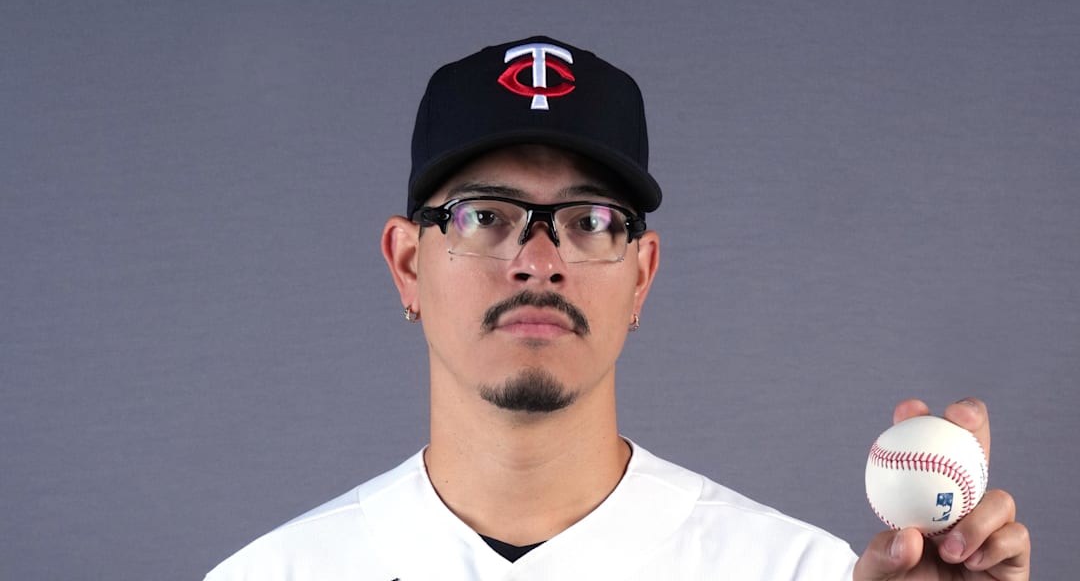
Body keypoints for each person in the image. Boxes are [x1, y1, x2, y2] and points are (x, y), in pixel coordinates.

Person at [205, 35, 1030, 580]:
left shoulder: (798, 572)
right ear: (406, 263)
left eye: (590, 221)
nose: (538, 262)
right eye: (485, 216)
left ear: (641, 275)